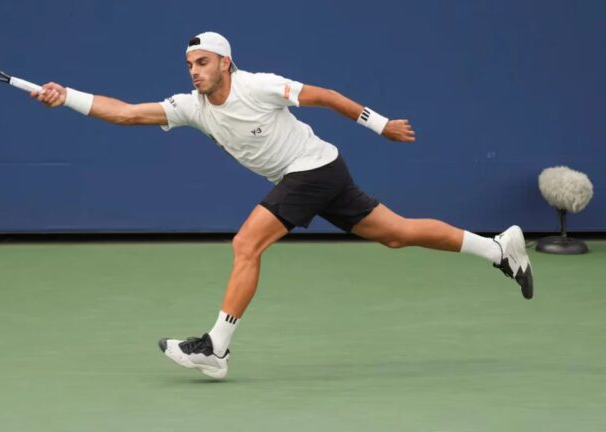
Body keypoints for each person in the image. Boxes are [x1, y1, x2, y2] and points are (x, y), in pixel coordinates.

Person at [30, 32, 533, 380]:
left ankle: (216, 347)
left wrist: (380, 125)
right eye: (189, 64)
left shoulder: (259, 86)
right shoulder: (193, 107)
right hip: (324, 172)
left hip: (312, 169)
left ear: (225, 62)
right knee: (397, 232)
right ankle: (497, 249)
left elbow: (326, 96)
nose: (194, 71)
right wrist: (66, 95)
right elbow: (125, 114)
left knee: (246, 242)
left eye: (202, 62)